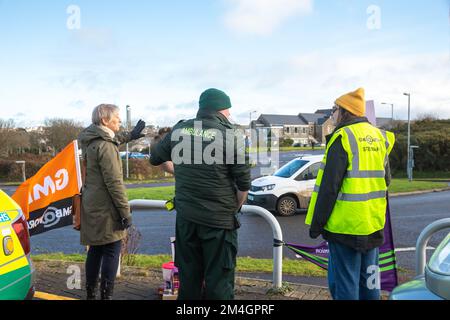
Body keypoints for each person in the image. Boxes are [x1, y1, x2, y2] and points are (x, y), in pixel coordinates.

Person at [150, 88, 251, 300]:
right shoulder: (232, 136)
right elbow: (243, 185)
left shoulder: (180, 130)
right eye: (228, 111)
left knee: (189, 280)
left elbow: (156, 158)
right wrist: (233, 208)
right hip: (219, 223)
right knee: (219, 282)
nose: (230, 115)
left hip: (187, 219)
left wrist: (182, 171)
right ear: (221, 110)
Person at [305, 88, 395, 300]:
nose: (332, 114)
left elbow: (329, 188)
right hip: (372, 223)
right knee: (369, 282)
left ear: (344, 111)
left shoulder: (343, 137)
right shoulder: (379, 137)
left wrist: (317, 224)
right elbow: (387, 180)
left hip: (345, 227)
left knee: (345, 284)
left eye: (334, 109)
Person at [78, 104, 146, 300]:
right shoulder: (106, 146)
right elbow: (115, 183)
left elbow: (111, 137)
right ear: (105, 120)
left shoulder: (90, 140)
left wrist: (130, 135)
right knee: (111, 250)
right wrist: (126, 213)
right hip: (107, 208)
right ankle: (106, 296)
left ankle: (91, 295)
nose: (120, 121)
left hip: (91, 203)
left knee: (95, 250)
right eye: (117, 118)